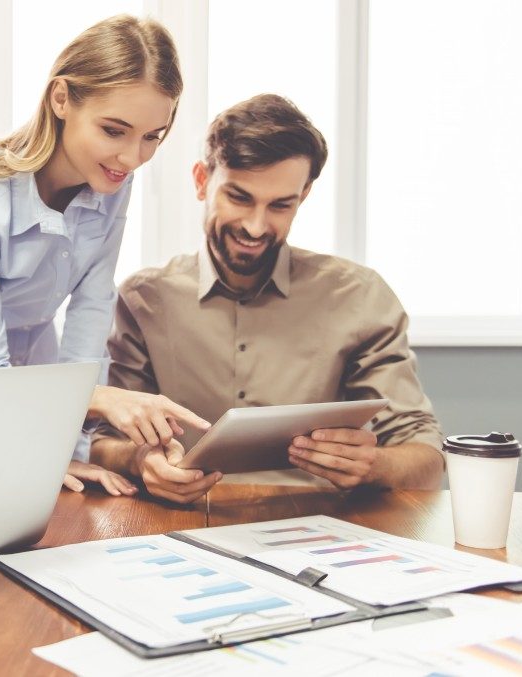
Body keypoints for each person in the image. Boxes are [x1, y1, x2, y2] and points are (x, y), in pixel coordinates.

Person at [0, 15, 208, 496]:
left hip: (32, 388)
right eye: (114, 130)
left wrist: (62, 443)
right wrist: (91, 402)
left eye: (152, 136)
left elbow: (91, 308)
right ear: (61, 99)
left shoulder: (112, 182)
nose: (132, 157)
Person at [90, 94, 444, 503]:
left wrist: (374, 466)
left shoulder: (359, 297)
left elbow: (426, 459)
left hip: (318, 528)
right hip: (179, 523)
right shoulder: (145, 300)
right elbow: (104, 443)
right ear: (203, 181)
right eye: (239, 198)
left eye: (280, 205)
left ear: (304, 195)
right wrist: (140, 461)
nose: (257, 227)